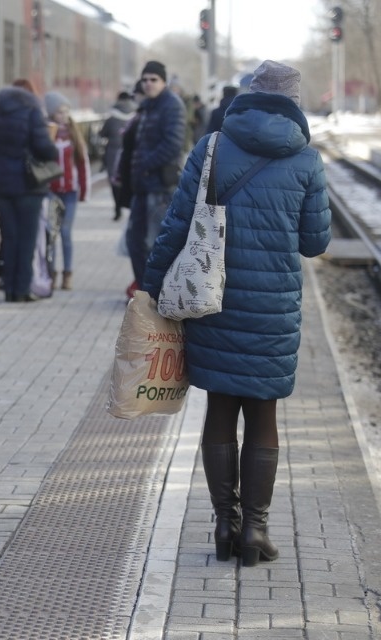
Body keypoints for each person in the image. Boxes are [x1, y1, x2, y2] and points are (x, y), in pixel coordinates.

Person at [141, 60, 331, 567]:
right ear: (293, 102)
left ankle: (225, 524)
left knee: (220, 409)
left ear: (249, 96)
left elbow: (176, 225)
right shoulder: (307, 160)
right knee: (263, 413)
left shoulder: (212, 148)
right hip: (273, 310)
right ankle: (256, 532)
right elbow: (315, 243)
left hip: (213, 301)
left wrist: (152, 285)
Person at [0, 80, 58, 302]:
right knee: (26, 239)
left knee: (9, 236)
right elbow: (44, 149)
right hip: (28, 185)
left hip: (0, 185)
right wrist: (51, 150)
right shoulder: (32, 113)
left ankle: (8, 289)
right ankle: (22, 290)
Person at [124, 61, 186, 299]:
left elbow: (173, 144)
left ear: (163, 81)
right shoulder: (149, 106)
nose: (148, 83)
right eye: (145, 79)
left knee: (152, 243)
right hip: (144, 185)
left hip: (160, 186)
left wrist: (146, 165)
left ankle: (153, 296)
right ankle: (144, 292)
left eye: (154, 79)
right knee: (135, 241)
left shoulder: (172, 106)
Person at [44, 92, 90, 291]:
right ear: (52, 114)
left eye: (65, 111)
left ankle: (68, 273)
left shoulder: (74, 133)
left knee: (65, 233)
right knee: (51, 234)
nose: (63, 115)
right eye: (59, 112)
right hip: (51, 192)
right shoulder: (47, 133)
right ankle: (50, 273)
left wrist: (84, 191)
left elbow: (82, 163)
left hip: (70, 192)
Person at [99, 91, 135, 221]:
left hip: (113, 152)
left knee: (114, 181)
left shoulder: (112, 117)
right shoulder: (135, 115)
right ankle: (129, 207)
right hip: (129, 152)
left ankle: (117, 208)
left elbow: (102, 134)